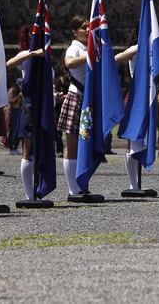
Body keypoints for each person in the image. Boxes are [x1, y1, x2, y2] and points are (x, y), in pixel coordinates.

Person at [60, 16, 135, 196]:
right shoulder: (75, 48)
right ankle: (73, 189)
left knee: (86, 143)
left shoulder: (89, 47)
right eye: (83, 27)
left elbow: (109, 61)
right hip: (76, 98)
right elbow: (69, 63)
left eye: (88, 27)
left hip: (90, 102)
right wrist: (90, 54)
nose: (87, 30)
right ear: (74, 31)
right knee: (72, 146)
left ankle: (81, 185)